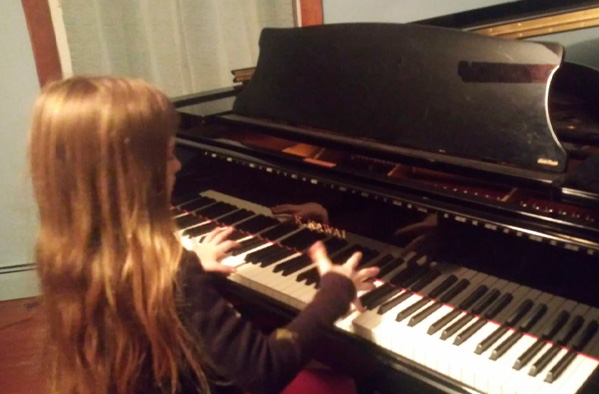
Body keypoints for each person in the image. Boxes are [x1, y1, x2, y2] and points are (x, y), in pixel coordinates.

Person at [28, 76, 379, 394]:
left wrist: (195, 265)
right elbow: (264, 370)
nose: (180, 164)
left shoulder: (72, 254)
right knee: (339, 386)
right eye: (168, 157)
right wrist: (333, 292)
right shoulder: (172, 276)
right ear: (136, 179)